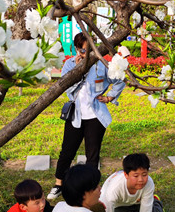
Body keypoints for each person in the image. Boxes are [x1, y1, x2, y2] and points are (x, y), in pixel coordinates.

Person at [48, 33, 126, 200]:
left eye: (90, 50)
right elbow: (67, 88)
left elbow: (120, 80)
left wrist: (110, 97)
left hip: (95, 116)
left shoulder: (101, 64)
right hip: (75, 115)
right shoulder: (70, 64)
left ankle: (90, 187)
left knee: (92, 154)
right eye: (82, 50)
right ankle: (59, 184)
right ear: (77, 49)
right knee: (67, 151)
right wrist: (77, 71)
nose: (86, 54)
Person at [92, 153, 165, 212]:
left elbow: (146, 211)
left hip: (138, 202)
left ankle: (155, 202)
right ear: (126, 175)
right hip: (119, 206)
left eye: (144, 175)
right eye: (136, 176)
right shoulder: (114, 190)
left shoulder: (148, 183)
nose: (141, 180)